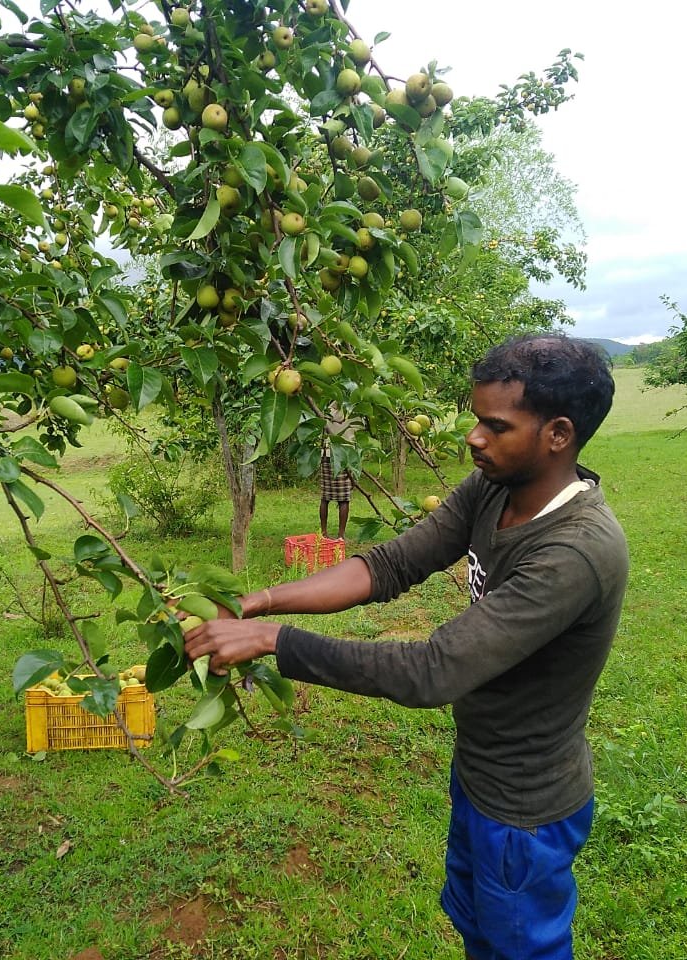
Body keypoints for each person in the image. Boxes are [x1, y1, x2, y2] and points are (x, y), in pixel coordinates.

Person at [184, 333, 628, 960]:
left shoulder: (575, 552)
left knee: (522, 949)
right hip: (480, 773)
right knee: (481, 932)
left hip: (524, 807)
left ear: (558, 434)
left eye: (495, 426)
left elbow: (432, 671)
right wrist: (262, 601)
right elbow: (389, 564)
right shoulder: (495, 489)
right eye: (477, 419)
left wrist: (270, 641)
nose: (474, 437)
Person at [319, 402, 356, 540]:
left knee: (325, 497)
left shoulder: (326, 411)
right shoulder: (353, 411)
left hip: (327, 455)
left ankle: (323, 532)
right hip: (346, 455)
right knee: (344, 499)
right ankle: (341, 535)